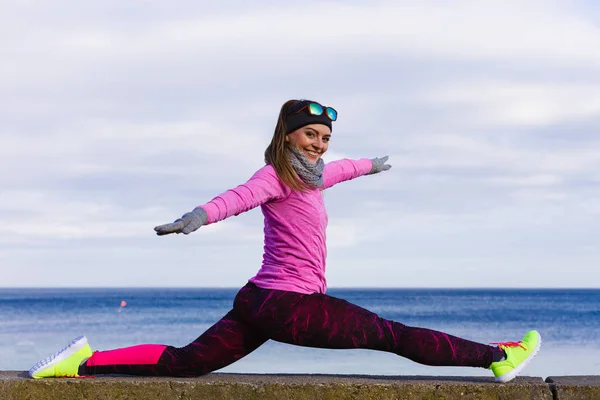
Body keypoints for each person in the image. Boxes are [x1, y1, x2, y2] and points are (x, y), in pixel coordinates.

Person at [29, 99, 540, 383]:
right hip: (288, 304)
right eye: (310, 135)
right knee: (391, 335)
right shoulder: (276, 175)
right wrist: (198, 216)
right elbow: (240, 196)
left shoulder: (316, 174)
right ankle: (497, 355)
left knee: (187, 363)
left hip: (260, 300)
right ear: (288, 135)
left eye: (324, 137)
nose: (318, 144)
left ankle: (83, 362)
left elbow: (343, 168)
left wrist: (373, 165)